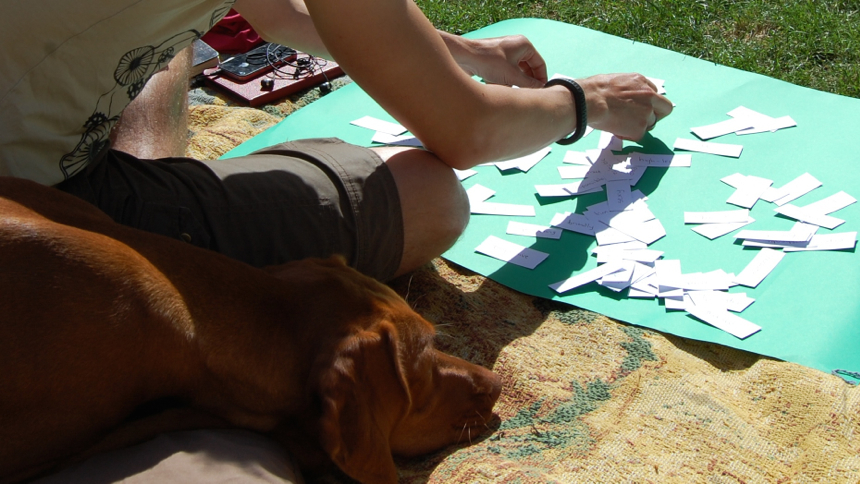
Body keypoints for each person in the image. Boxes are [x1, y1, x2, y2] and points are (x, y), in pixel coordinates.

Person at [2, 0, 672, 480]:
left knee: (161, 44)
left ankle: (147, 179)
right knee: (426, 196)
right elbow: (467, 134)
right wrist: (583, 103)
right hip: (45, 195)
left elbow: (281, 13)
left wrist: (468, 53)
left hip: (33, 182)